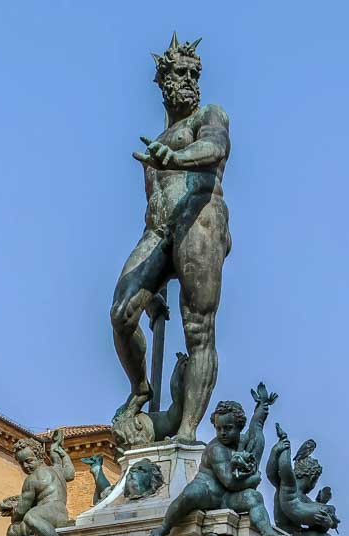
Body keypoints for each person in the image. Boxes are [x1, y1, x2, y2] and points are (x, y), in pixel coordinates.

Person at [111, 35, 231, 444]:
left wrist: (179, 159)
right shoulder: (157, 142)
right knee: (122, 313)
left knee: (197, 328)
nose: (188, 79)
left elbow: (216, 147)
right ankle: (141, 388)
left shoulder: (209, 116)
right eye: (180, 72)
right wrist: (154, 285)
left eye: (193, 73)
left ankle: (187, 431)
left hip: (199, 220)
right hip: (158, 231)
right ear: (162, 80)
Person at [149, 385, 281, 536]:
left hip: (227, 498)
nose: (223, 432)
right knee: (190, 494)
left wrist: (262, 407)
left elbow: (256, 426)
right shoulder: (216, 449)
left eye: (228, 428)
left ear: (239, 427)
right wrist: (253, 480)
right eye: (218, 428)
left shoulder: (243, 442)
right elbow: (230, 482)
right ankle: (165, 525)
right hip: (208, 492)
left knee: (254, 497)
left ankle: (266, 532)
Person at [0, 430, 75, 536]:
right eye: (21, 463)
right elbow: (70, 473)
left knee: (26, 519)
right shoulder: (56, 470)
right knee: (16, 529)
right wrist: (61, 452)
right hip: (61, 514)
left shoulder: (31, 480)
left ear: (40, 457)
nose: (25, 466)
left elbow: (21, 511)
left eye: (28, 461)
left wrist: (11, 510)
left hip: (47, 515)